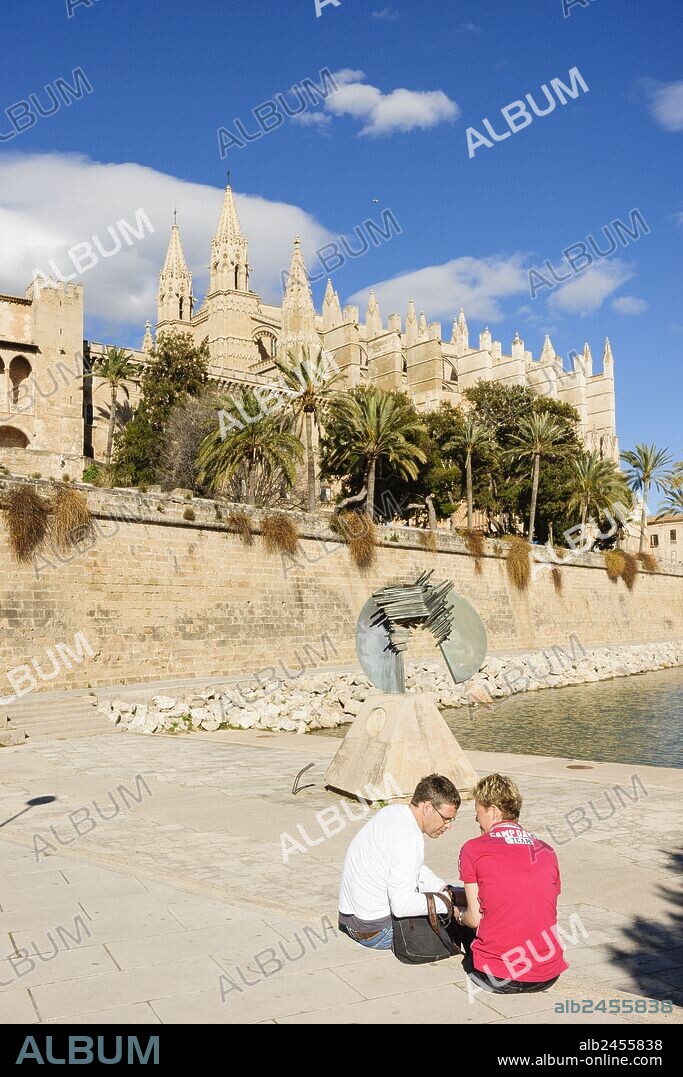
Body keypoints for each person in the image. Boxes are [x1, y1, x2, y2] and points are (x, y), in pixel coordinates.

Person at [456, 773, 569, 993]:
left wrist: (457, 914)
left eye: (478, 813)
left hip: (495, 976)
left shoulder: (473, 849)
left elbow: (474, 918)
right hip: (547, 974)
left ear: (494, 811)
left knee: (462, 919)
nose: (476, 820)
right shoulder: (546, 850)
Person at [338, 774, 461, 950]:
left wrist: (442, 889)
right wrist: (448, 903)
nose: (449, 825)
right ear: (427, 807)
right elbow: (401, 905)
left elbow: (412, 866)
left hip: (351, 922)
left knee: (452, 893)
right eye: (446, 818)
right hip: (377, 932)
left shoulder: (392, 813)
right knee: (459, 917)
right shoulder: (410, 837)